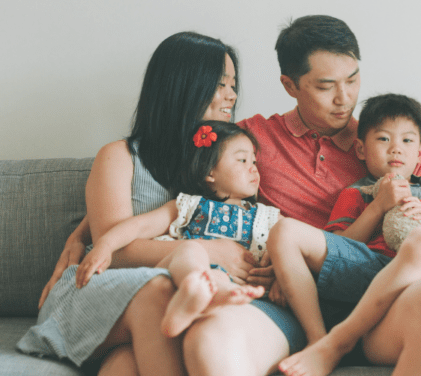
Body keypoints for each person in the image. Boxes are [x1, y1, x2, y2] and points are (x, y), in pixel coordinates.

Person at [178, 15, 421, 376]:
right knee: (211, 341)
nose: (345, 98)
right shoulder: (252, 139)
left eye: (353, 80)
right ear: (290, 85)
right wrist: (90, 229)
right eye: (326, 86)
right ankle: (319, 340)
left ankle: (338, 342)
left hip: (386, 300)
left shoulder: (383, 139)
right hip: (291, 307)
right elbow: (187, 195)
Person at [25, 32, 258, 376]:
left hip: (158, 308)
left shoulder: (232, 159)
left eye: (233, 85)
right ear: (181, 85)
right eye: (219, 84)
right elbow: (115, 252)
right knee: (158, 290)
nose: (231, 96)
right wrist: (212, 253)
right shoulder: (119, 157)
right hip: (97, 285)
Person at [270, 93, 421, 376]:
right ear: (360, 148)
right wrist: (378, 206)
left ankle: (340, 341)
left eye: (407, 141)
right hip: (372, 274)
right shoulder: (356, 192)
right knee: (284, 231)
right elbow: (339, 243)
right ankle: (318, 340)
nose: (396, 148)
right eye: (383, 139)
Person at [75, 121, 273, 338]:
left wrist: (277, 277)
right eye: (242, 160)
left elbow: (284, 248)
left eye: (254, 161)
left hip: (229, 284)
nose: (253, 167)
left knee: (218, 278)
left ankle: (213, 296)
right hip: (176, 279)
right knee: (190, 251)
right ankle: (193, 290)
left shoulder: (265, 217)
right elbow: (141, 225)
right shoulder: (190, 205)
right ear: (210, 172)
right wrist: (105, 244)